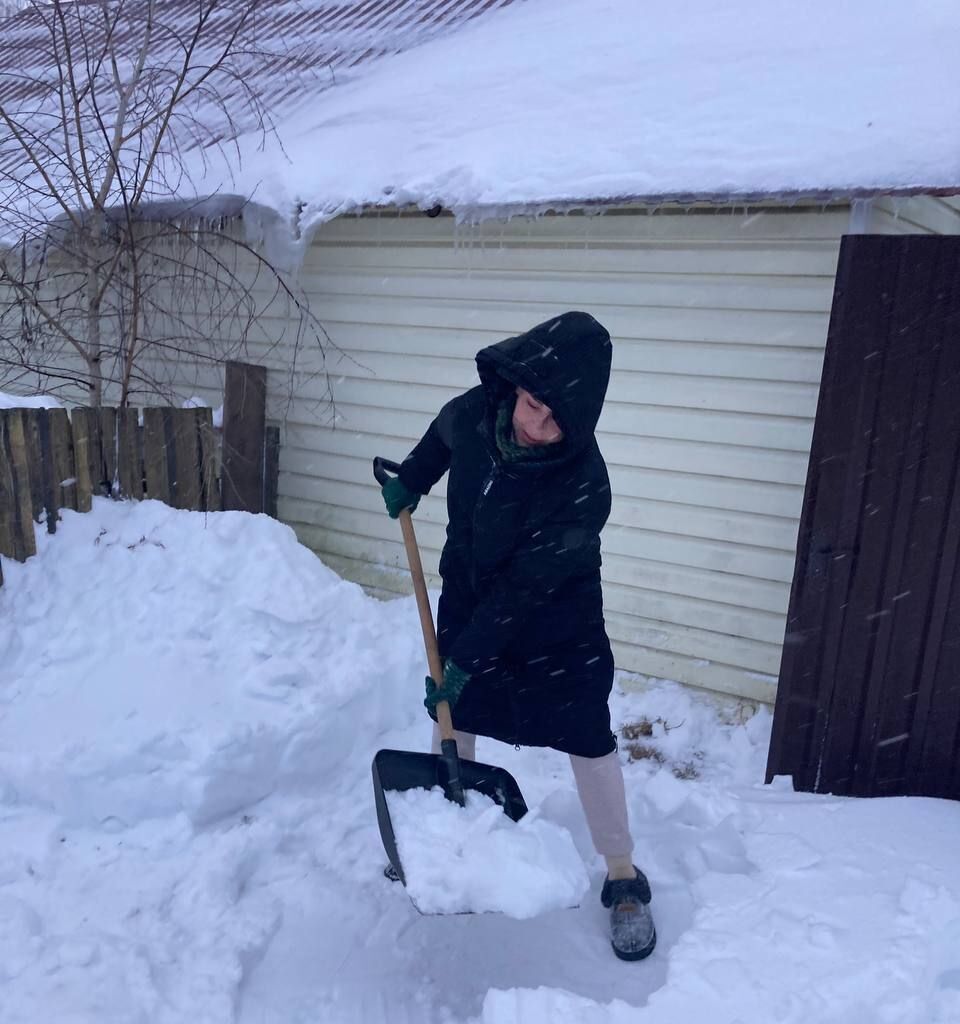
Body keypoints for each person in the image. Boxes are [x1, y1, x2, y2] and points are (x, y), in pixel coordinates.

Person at [379, 310, 656, 961]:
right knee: (455, 712)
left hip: (556, 624)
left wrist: (466, 659)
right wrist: (413, 477)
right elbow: (444, 432)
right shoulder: (481, 411)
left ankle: (622, 874)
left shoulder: (584, 485)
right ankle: (448, 828)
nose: (536, 425)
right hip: (473, 595)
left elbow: (524, 591)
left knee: (585, 733)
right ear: (517, 388)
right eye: (532, 405)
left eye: (556, 419)